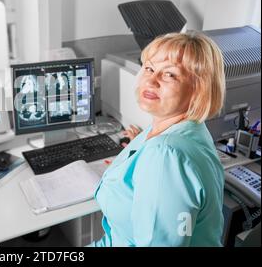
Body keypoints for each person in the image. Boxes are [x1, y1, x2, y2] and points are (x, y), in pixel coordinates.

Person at [91, 32, 226, 247]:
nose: (151, 81)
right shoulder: (182, 129)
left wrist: (156, 160)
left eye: (170, 75)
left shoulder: (166, 154)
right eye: (149, 68)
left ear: (198, 90)